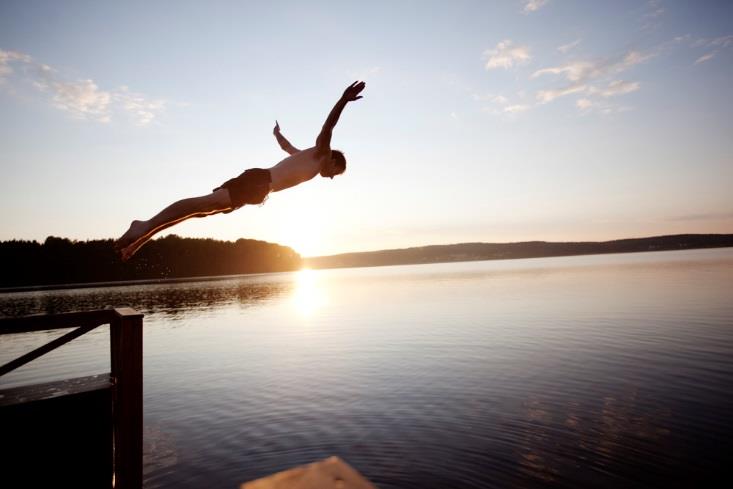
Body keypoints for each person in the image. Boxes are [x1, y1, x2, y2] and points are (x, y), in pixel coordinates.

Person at [115, 81, 366, 261]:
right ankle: (143, 226)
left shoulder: (306, 159)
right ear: (333, 160)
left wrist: (277, 135)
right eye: (335, 172)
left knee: (199, 212)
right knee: (204, 204)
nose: (331, 176)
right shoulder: (321, 151)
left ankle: (138, 241)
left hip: (259, 189)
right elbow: (329, 125)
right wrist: (343, 100)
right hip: (258, 182)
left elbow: (287, 147)